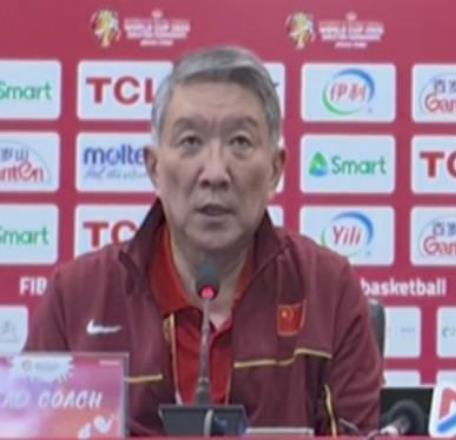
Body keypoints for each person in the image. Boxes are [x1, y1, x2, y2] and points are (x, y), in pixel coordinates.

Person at [25, 46, 383, 436]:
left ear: (275, 170)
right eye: (191, 141)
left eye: (240, 142)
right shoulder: (77, 298)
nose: (215, 172)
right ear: (154, 167)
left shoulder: (328, 290)